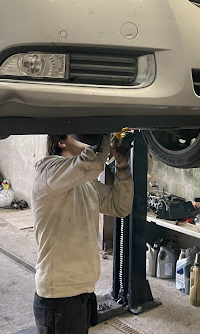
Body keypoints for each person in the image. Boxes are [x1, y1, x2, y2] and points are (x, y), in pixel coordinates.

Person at [32, 133, 134, 334]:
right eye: (80, 133)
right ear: (61, 142)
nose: (89, 138)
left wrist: (122, 167)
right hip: (58, 294)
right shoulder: (48, 172)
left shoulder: (86, 184)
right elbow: (92, 162)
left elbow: (119, 206)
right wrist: (106, 130)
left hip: (82, 290)